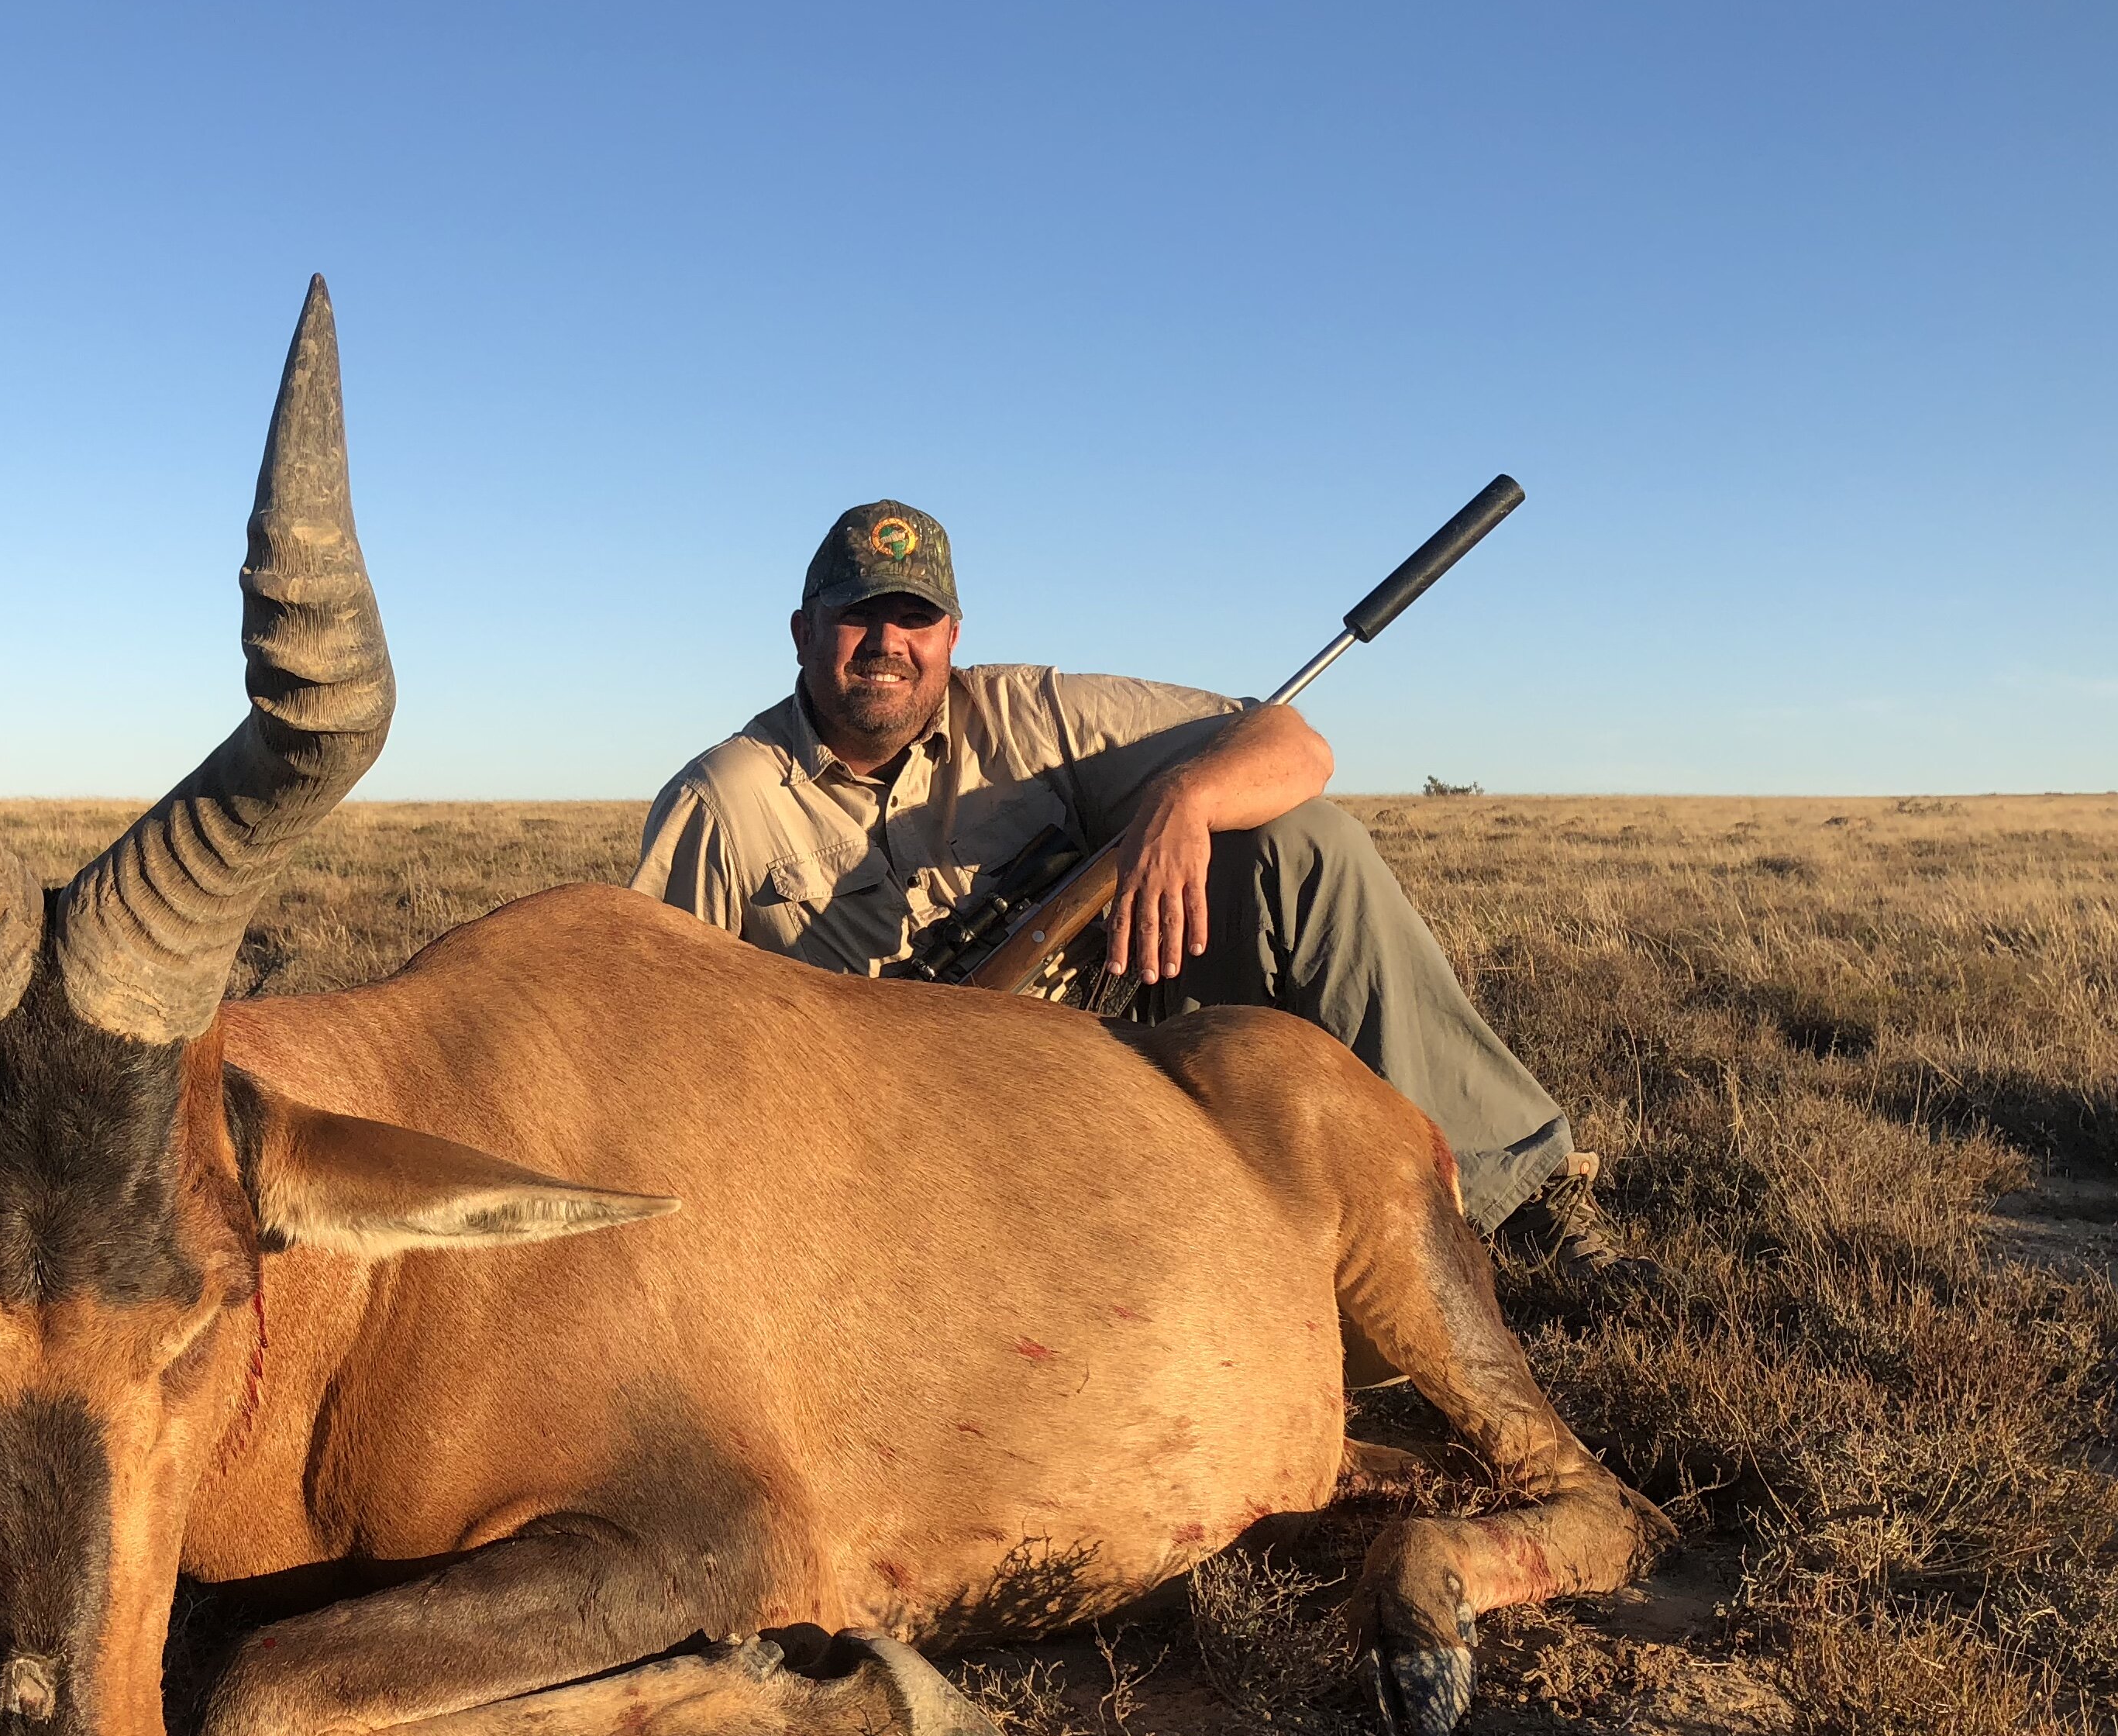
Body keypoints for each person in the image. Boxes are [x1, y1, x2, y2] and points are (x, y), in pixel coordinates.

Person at [628, 498, 1638, 1280]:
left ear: (951, 636)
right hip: (893, 1143)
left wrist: (1184, 800)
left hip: (1112, 1048)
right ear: (804, 633)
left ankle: (1520, 1194)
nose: (888, 642)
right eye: (859, 617)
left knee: (1304, 843)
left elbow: (1294, 743)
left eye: (914, 618)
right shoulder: (721, 802)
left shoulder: (1032, 712)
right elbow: (652, 1038)